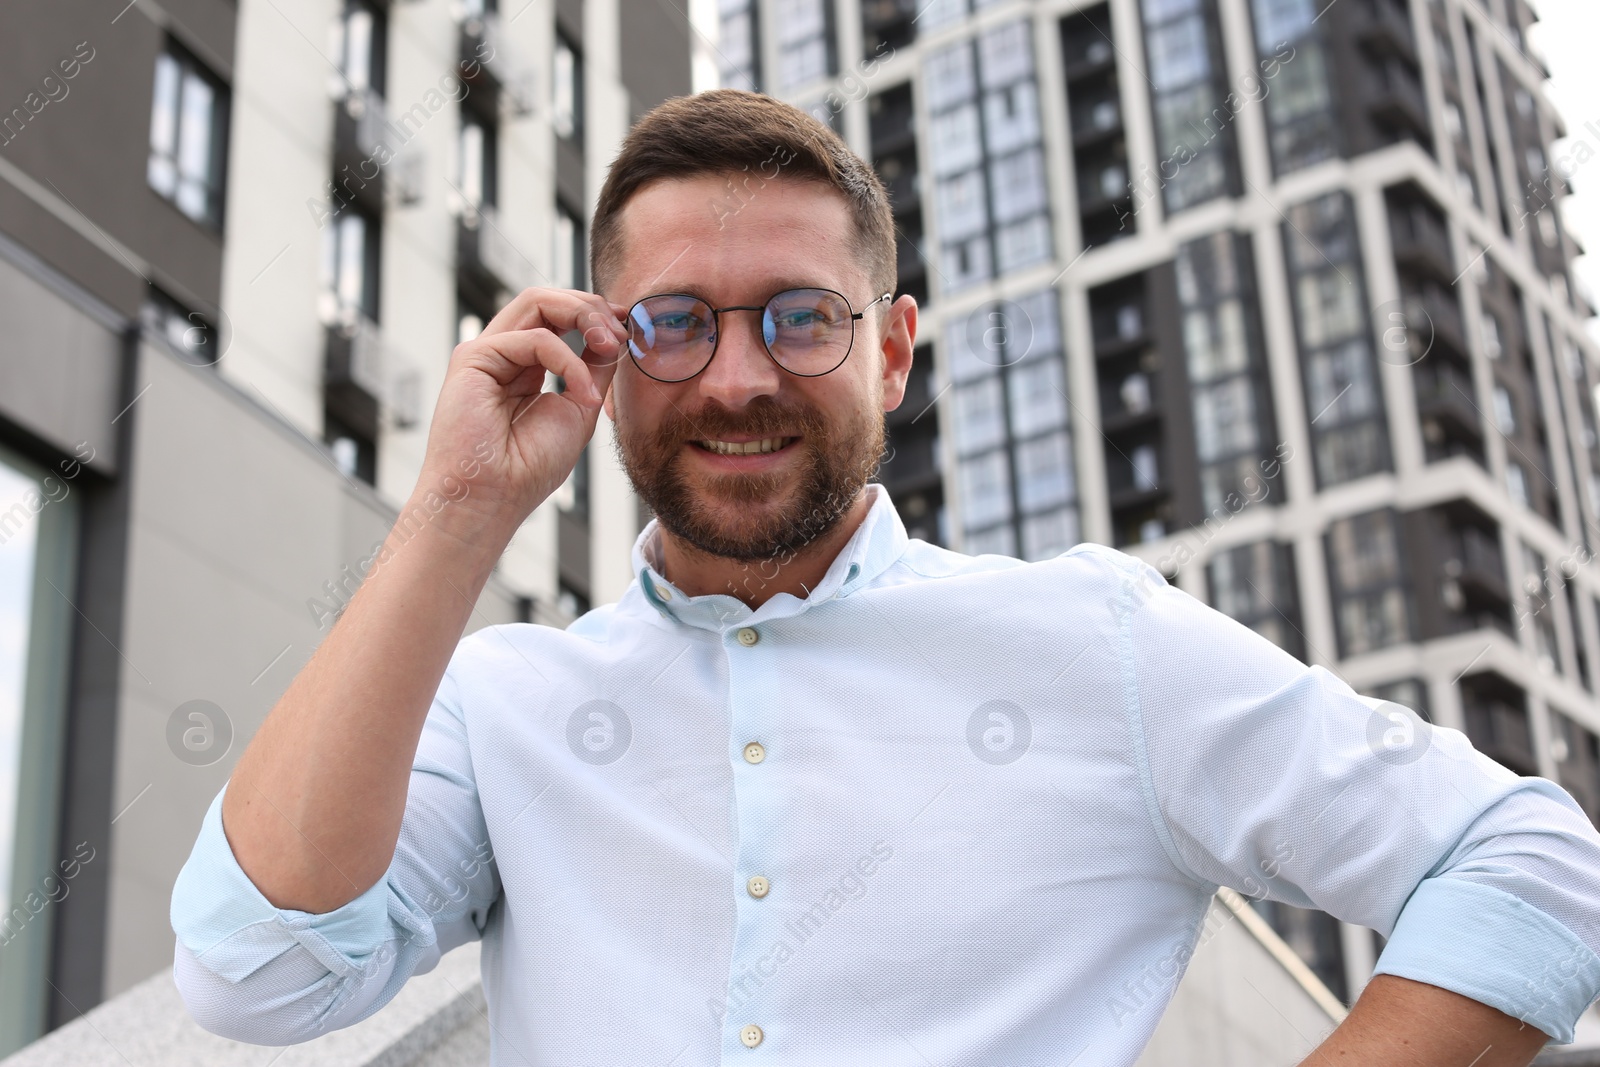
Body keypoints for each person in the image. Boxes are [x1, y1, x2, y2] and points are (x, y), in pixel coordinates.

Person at [171, 90, 1600, 1066]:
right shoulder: (504, 700)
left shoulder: (1094, 641)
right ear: (603, 357)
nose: (737, 380)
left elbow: (1534, 863)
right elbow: (257, 971)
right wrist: (454, 514)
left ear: (894, 351)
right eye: (673, 324)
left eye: (801, 318)